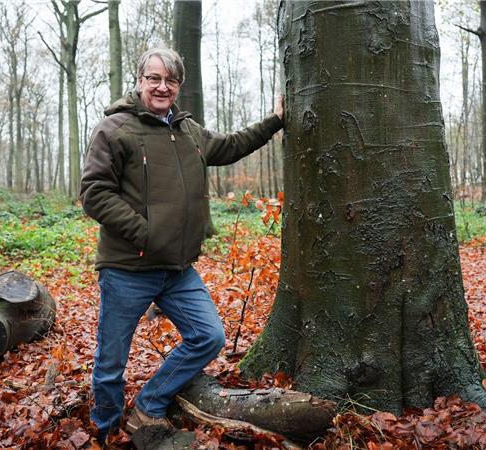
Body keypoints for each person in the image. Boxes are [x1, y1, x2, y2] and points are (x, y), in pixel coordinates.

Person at [80, 48, 284, 446]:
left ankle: (149, 404)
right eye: (154, 78)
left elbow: (231, 146)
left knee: (209, 337)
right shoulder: (114, 129)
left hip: (177, 270)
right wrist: (144, 233)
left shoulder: (188, 131)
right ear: (140, 81)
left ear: (178, 86)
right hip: (128, 268)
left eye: (170, 80)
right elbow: (94, 192)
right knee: (110, 361)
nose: (162, 87)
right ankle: (106, 430)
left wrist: (275, 121)